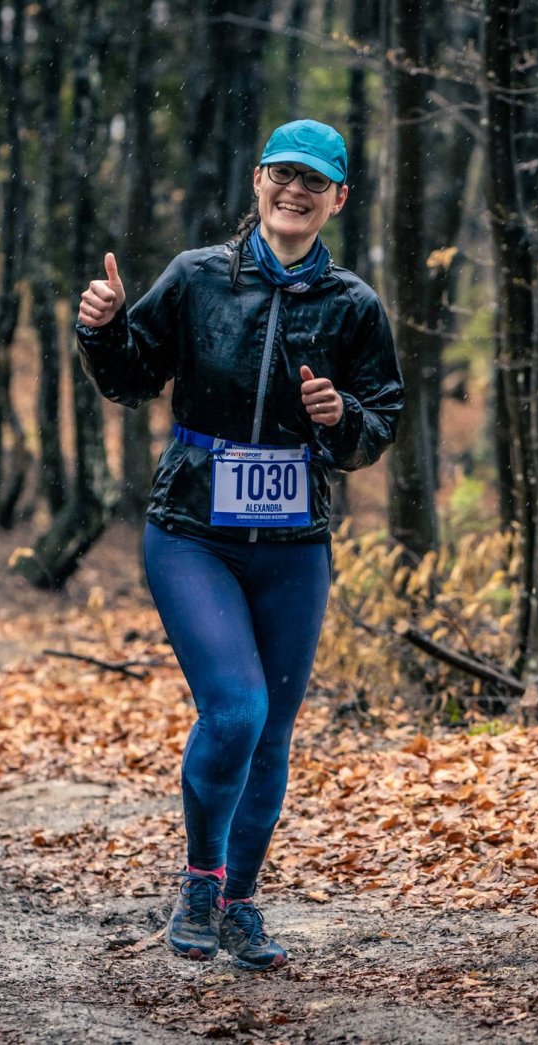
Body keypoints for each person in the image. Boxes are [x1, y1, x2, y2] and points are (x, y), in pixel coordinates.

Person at [75, 119, 403, 970]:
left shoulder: (354, 306)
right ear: (257, 181)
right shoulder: (196, 278)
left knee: (275, 731)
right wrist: (104, 328)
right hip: (193, 532)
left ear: (338, 198)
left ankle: (241, 903)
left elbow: (381, 423)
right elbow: (131, 377)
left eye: (314, 181)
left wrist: (343, 421)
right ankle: (199, 882)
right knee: (237, 709)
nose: (295, 192)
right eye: (281, 175)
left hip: (294, 544)